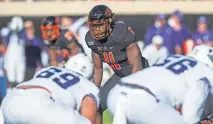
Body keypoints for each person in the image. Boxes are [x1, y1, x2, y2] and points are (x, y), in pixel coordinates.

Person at [107, 45, 213, 124]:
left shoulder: (172, 57)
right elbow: (194, 103)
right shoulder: (205, 70)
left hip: (116, 93)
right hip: (145, 101)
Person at [85, 4, 149, 115]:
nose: (96, 30)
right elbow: (98, 68)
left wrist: (129, 90)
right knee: (96, 104)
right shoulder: (91, 39)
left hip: (140, 74)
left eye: (99, 25)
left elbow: (136, 67)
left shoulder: (121, 33)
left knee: (132, 110)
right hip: (119, 75)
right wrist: (94, 91)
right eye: (93, 26)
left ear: (109, 21)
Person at [1, 53, 100, 124]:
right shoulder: (86, 85)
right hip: (39, 103)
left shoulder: (48, 69)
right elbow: (89, 113)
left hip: (10, 100)